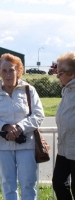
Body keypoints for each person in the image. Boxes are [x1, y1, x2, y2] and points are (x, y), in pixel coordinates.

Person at [0, 53, 45, 200]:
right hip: (2, 146)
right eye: (4, 70)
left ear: (18, 70)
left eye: (11, 70)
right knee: (7, 185)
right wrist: (5, 127)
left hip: (27, 144)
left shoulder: (29, 90)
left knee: (28, 184)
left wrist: (19, 127)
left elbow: (38, 115)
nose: (8, 74)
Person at [52, 52, 75, 200]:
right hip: (64, 148)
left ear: (72, 73)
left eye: (60, 73)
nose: (57, 76)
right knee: (59, 183)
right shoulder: (67, 90)